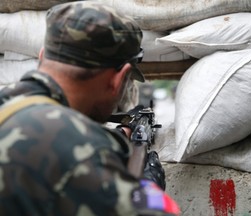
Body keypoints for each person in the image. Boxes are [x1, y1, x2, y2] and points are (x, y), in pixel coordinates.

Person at [0, 2, 180, 216]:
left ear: (41, 56)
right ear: (119, 79)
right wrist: (150, 189)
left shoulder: (9, 104)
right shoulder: (84, 149)